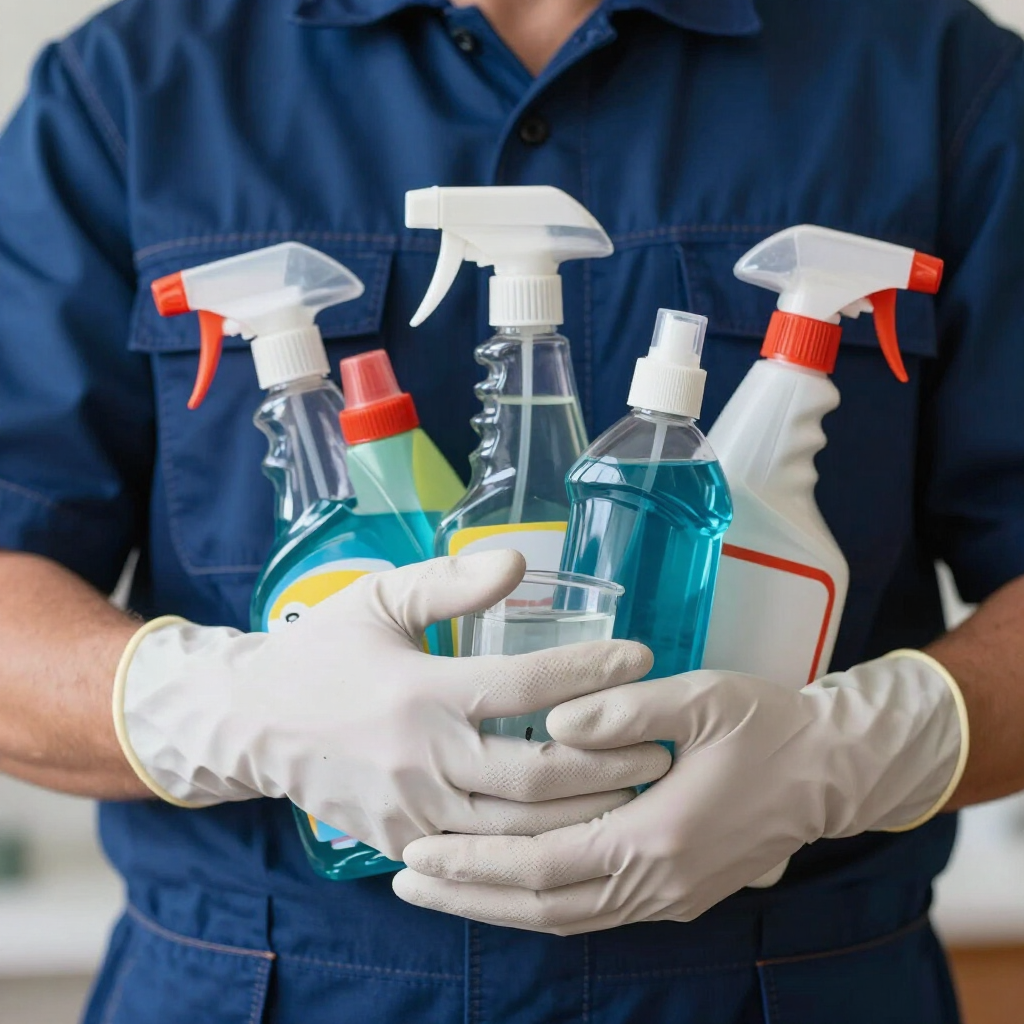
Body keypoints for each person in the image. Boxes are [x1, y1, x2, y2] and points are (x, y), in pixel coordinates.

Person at [0, 0, 1022, 1020]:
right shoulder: (130, 95)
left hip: (783, 981)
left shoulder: (938, 83)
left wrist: (858, 753)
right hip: (267, 983)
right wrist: (237, 712)